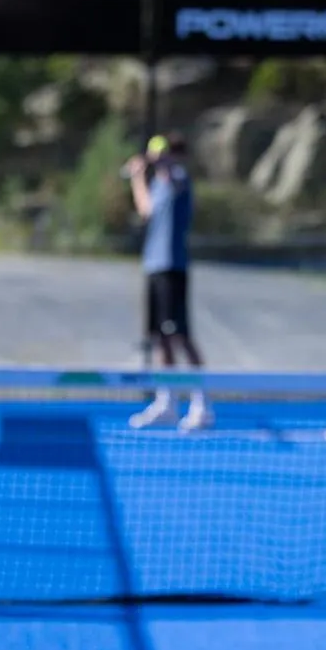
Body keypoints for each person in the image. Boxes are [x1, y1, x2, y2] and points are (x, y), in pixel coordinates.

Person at [127, 132, 212, 432]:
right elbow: (145, 210)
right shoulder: (157, 184)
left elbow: (172, 180)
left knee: (181, 337)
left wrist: (160, 162)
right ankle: (168, 402)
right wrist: (138, 176)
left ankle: (201, 404)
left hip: (173, 267)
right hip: (153, 265)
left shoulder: (178, 177)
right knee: (160, 337)